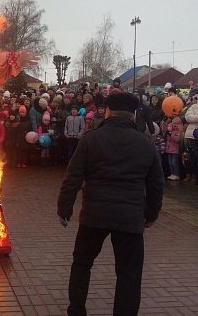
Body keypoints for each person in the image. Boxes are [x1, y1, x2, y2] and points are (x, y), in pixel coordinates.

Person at [57, 92, 164, 316]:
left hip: (94, 214)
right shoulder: (145, 143)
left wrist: (64, 208)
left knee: (82, 262)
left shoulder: (91, 139)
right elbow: (156, 184)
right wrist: (152, 214)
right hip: (130, 217)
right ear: (133, 115)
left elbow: (73, 177)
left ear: (107, 111)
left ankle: (76, 310)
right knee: (129, 273)